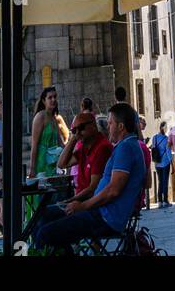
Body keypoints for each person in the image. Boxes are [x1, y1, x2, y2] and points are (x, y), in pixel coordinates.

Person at [34, 103, 147, 253]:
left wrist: (82, 205)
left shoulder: (124, 148)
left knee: (45, 234)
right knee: (44, 216)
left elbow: (113, 190)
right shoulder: (124, 146)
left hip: (105, 217)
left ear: (121, 126)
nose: (107, 126)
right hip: (99, 211)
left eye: (110, 123)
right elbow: (62, 164)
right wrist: (73, 137)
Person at [58, 111, 113, 196]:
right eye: (74, 130)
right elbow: (62, 164)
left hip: (91, 203)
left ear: (93, 126)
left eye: (81, 127)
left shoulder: (102, 148)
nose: (78, 133)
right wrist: (73, 139)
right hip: (82, 199)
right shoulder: (84, 148)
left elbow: (93, 188)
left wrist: (73, 201)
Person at [29, 86, 69, 180]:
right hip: (41, 162)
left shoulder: (54, 118)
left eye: (55, 97)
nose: (53, 99)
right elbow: (34, 145)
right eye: (50, 97)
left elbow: (60, 143)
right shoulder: (40, 117)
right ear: (44, 101)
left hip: (53, 162)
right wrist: (32, 168)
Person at [150, 121, 173, 206]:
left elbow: (153, 148)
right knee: (165, 181)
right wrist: (172, 164)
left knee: (160, 181)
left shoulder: (154, 138)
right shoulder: (166, 139)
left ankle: (159, 201)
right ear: (164, 128)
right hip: (165, 162)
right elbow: (168, 152)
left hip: (157, 163)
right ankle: (165, 200)